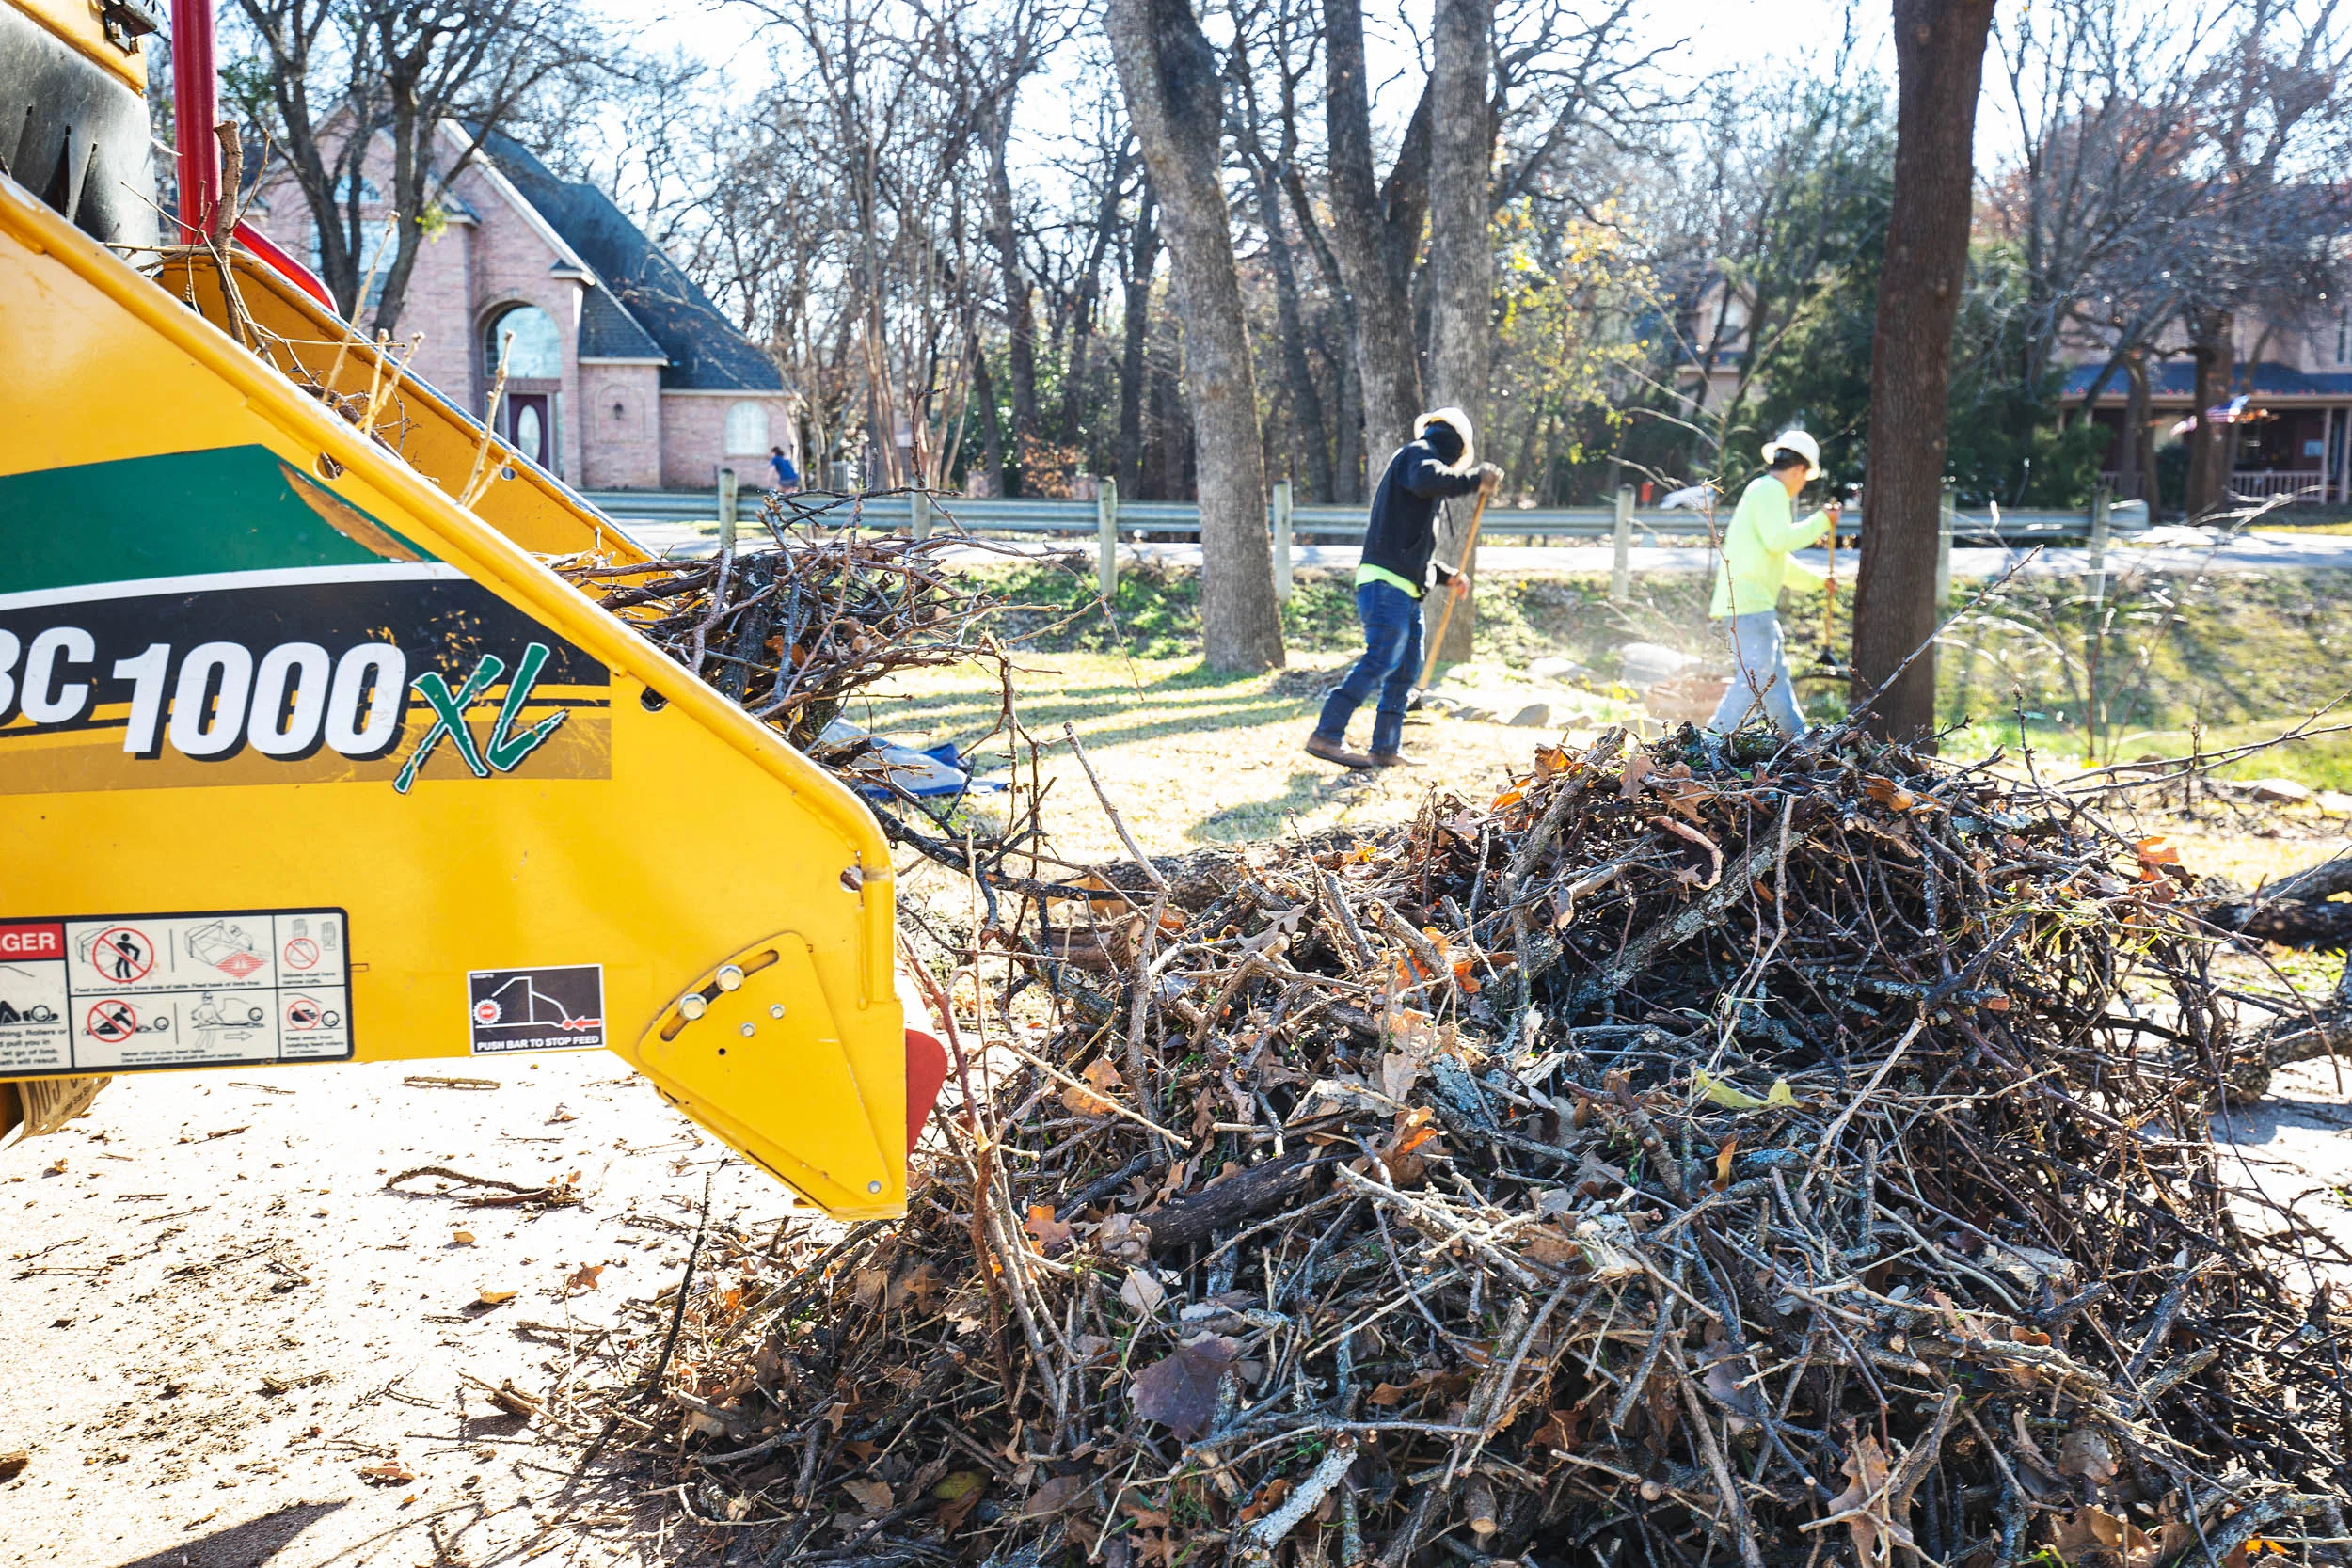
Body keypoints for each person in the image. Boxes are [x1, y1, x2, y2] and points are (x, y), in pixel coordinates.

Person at [1307, 408, 1502, 769]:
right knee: (1382, 658)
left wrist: (1447, 576)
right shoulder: (1418, 455)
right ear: (1455, 445)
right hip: (1385, 585)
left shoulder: (1419, 468)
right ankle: (1326, 735)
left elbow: (1410, 547)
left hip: (1405, 587)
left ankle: (1385, 747)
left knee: (1406, 668)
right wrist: (1475, 480)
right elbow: (1428, 481)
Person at [1707, 429, 1840, 736]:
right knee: (1753, 680)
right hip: (1749, 603)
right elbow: (1779, 541)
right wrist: (1823, 520)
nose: (1803, 484)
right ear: (1798, 470)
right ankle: (1709, 742)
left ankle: (1798, 742)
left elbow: (1780, 563)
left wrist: (1819, 582)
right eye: (1806, 477)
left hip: (1751, 604)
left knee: (1775, 682)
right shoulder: (1769, 491)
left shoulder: (1762, 491)